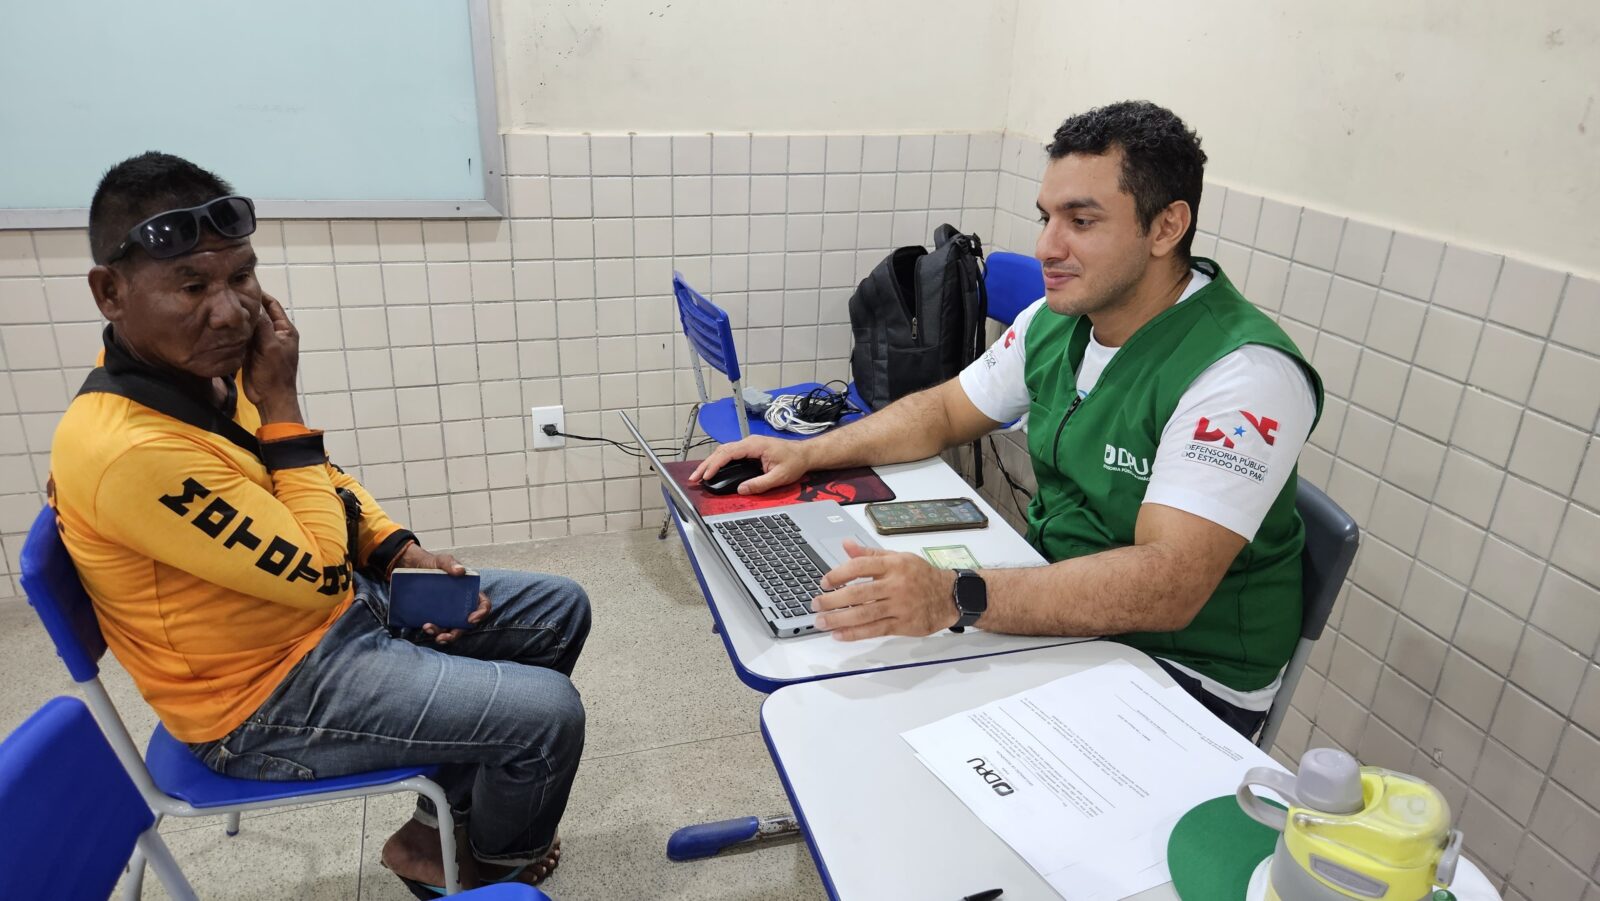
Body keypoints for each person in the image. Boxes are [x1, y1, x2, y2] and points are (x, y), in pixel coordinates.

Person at [48, 152, 590, 895]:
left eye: (242, 276)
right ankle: (491, 866)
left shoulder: (194, 374)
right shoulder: (129, 450)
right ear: (110, 292)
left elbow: (316, 477)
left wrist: (395, 549)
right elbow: (321, 573)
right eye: (192, 286)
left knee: (559, 611)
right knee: (547, 716)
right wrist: (282, 403)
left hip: (318, 619)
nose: (231, 311)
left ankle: (438, 828)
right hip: (259, 699)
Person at [693, 101, 1324, 738]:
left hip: (1179, 675)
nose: (1047, 247)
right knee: (852, 670)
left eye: (1081, 221)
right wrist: (808, 453)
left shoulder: (1242, 374)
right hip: (1070, 613)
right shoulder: (1058, 319)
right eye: (1048, 218)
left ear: (1166, 227)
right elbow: (942, 411)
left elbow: (1168, 586)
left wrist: (952, 595)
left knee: (895, 717)